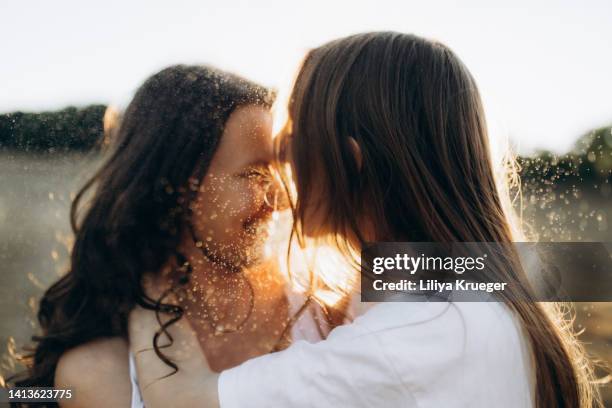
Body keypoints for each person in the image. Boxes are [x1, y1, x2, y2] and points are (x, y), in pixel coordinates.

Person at [129, 32, 602, 407]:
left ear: (349, 163)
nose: (280, 191)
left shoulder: (404, 341)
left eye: (289, 153)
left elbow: (182, 399)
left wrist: (148, 287)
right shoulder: (481, 288)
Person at [11, 65, 328, 408]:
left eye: (281, 173)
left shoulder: (327, 298)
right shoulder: (96, 373)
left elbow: (396, 305)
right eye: (253, 174)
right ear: (174, 185)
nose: (280, 201)